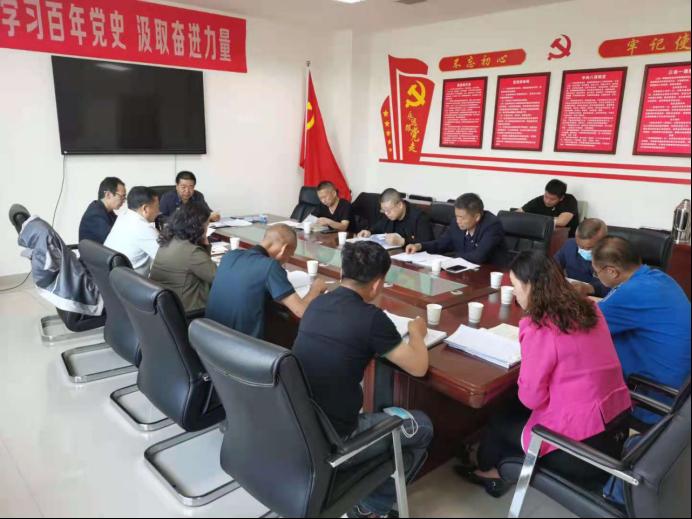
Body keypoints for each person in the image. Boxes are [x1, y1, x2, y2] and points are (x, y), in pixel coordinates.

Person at [456, 251, 631, 497]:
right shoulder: (591, 309)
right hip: (616, 429)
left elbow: (531, 399)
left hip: (578, 450)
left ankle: (490, 472)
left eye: (515, 286)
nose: (515, 294)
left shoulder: (538, 327)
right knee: (517, 410)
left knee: (501, 417)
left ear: (530, 286)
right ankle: (501, 460)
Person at [293, 242, 433, 518]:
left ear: (342, 272)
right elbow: (418, 367)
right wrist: (417, 332)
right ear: (378, 284)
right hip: (336, 439)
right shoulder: (371, 319)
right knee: (423, 426)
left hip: (298, 422)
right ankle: (371, 508)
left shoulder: (318, 303)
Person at [593, 236, 691, 422]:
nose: (596, 276)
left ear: (612, 271)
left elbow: (583, 324)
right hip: (683, 389)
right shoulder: (661, 278)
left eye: (596, 273)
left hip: (658, 398)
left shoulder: (630, 293)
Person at [205, 224, 327, 339]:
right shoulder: (270, 266)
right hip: (241, 346)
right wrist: (316, 288)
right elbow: (301, 311)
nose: (287, 260)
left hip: (208, 339)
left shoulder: (230, 256)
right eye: (290, 256)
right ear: (284, 249)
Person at [406, 193, 509, 266]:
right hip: (464, 271)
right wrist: (420, 246)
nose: (458, 221)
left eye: (462, 218)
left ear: (477, 217)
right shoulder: (456, 223)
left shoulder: (492, 226)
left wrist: (451, 256)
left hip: (489, 274)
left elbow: (478, 256)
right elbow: (441, 243)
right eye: (456, 216)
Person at [149, 203, 217, 312]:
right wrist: (205, 241)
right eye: (207, 225)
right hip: (189, 311)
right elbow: (218, 279)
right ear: (199, 227)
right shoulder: (192, 252)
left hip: (167, 308)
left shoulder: (168, 241)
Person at [104, 186, 160, 276]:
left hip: (111, 277)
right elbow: (167, 259)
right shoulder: (143, 228)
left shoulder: (124, 215)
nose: (158, 211)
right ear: (145, 209)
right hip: (131, 282)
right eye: (157, 207)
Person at [357, 188, 434, 247]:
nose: (386, 214)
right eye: (384, 210)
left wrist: (403, 241)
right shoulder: (389, 215)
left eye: (388, 210)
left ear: (400, 205)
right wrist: (369, 232)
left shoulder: (419, 217)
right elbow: (379, 227)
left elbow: (426, 243)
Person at [555, 218, 610, 298]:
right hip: (571, 293)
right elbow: (553, 266)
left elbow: (616, 287)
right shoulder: (570, 245)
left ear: (604, 242)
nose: (583, 250)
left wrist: (589, 288)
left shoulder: (613, 255)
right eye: (580, 246)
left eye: (589, 248)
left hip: (597, 298)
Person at [78, 177, 126, 244]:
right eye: (121, 196)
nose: (124, 201)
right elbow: (113, 239)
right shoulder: (95, 215)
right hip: (96, 251)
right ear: (108, 195)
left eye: (124, 197)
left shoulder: (107, 211)